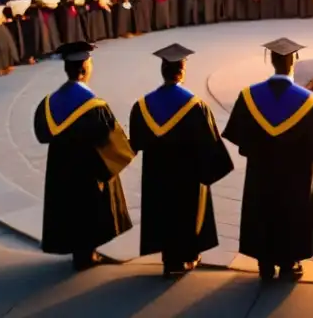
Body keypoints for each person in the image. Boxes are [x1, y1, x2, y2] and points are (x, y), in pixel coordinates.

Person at [222, 38, 313, 281]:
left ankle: (264, 262)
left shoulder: (249, 96)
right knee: (291, 211)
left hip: (261, 174)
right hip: (295, 177)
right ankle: (288, 263)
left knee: (262, 209)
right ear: (293, 61)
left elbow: (239, 138)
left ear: (271, 61)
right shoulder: (307, 101)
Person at [129, 44, 235, 277]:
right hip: (187, 176)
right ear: (182, 70)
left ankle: (169, 259)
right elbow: (211, 144)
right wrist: (211, 169)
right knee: (186, 211)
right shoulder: (195, 106)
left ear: (163, 70)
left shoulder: (143, 106)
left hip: (156, 175)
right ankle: (186, 257)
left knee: (162, 211)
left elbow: (135, 142)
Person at [33, 41, 134, 271]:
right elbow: (111, 142)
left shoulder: (49, 102)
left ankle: (79, 253)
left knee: (68, 207)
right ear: (85, 68)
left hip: (62, 169)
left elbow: (42, 133)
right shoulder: (93, 105)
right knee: (88, 208)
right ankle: (87, 255)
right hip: (88, 171)